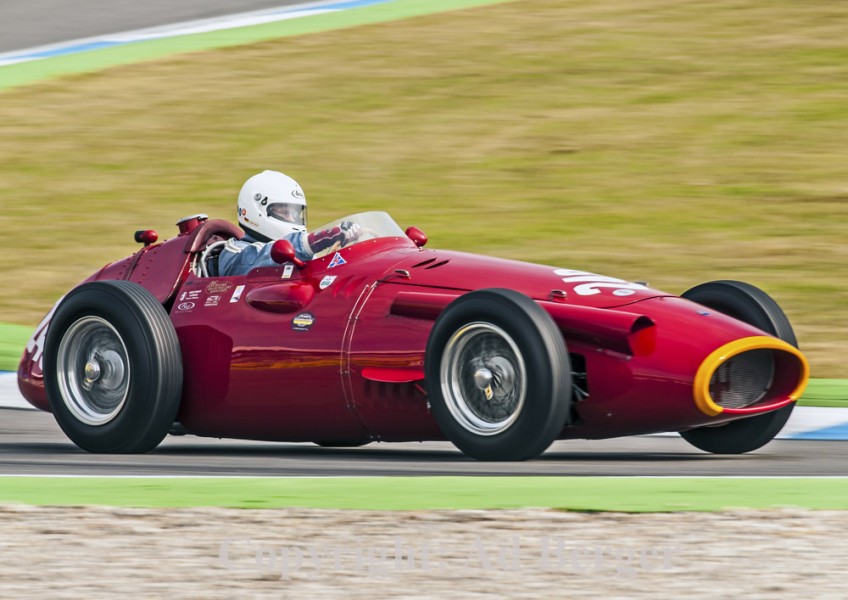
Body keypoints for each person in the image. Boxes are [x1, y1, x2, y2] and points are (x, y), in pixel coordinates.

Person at [217, 170, 361, 277]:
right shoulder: (233, 252)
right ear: (256, 210)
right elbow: (261, 259)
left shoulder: (301, 254)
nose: (292, 220)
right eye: (284, 213)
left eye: (295, 214)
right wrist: (320, 238)